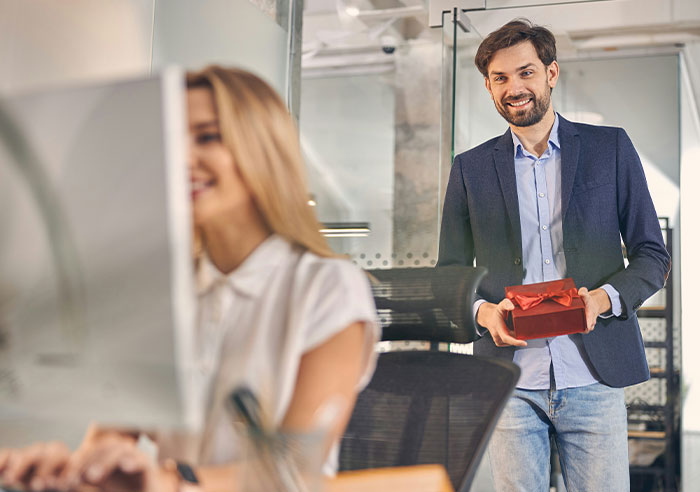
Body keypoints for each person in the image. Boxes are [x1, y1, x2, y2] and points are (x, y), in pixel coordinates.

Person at [0, 66, 379, 492]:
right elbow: (110, 434)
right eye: (170, 140)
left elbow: (293, 467)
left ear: (262, 150)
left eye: (207, 136)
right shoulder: (155, 290)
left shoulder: (328, 287)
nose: (179, 157)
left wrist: (170, 481)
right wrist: (75, 469)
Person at [437, 19, 671, 492]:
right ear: (487, 86)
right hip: (509, 381)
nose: (514, 88)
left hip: (594, 375)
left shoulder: (610, 149)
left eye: (525, 72)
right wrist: (483, 314)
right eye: (500, 78)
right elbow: (451, 274)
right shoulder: (470, 169)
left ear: (551, 73)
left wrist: (600, 300)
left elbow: (651, 255)